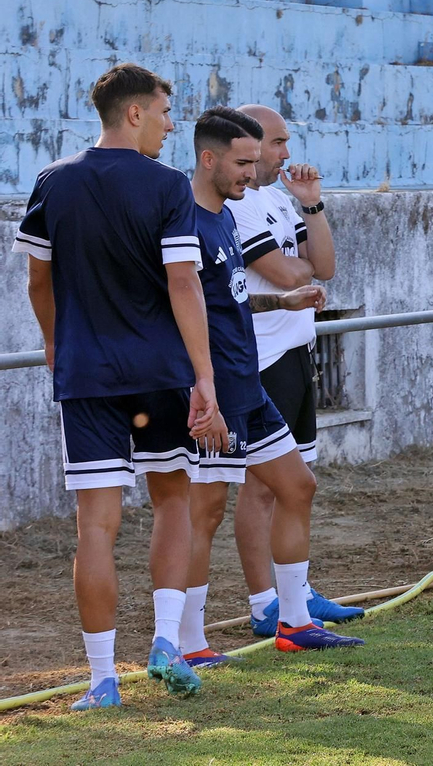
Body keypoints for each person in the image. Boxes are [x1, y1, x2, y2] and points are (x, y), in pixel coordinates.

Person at [15, 62, 224, 709]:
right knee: (170, 503)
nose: (169, 125)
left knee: (95, 528)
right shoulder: (166, 187)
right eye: (164, 112)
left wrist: (56, 344)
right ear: (133, 113)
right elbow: (184, 283)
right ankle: (165, 642)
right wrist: (204, 377)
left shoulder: (53, 182)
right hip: (160, 373)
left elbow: (38, 283)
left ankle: (102, 680)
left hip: (87, 378)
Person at [182, 107, 363, 667]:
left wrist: (279, 300)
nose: (257, 166)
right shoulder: (187, 221)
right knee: (204, 510)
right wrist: (202, 384)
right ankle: (185, 642)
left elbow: (237, 297)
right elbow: (180, 309)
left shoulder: (223, 217)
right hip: (222, 386)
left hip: (245, 383)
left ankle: (293, 620)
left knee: (297, 486)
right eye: (246, 159)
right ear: (210, 159)